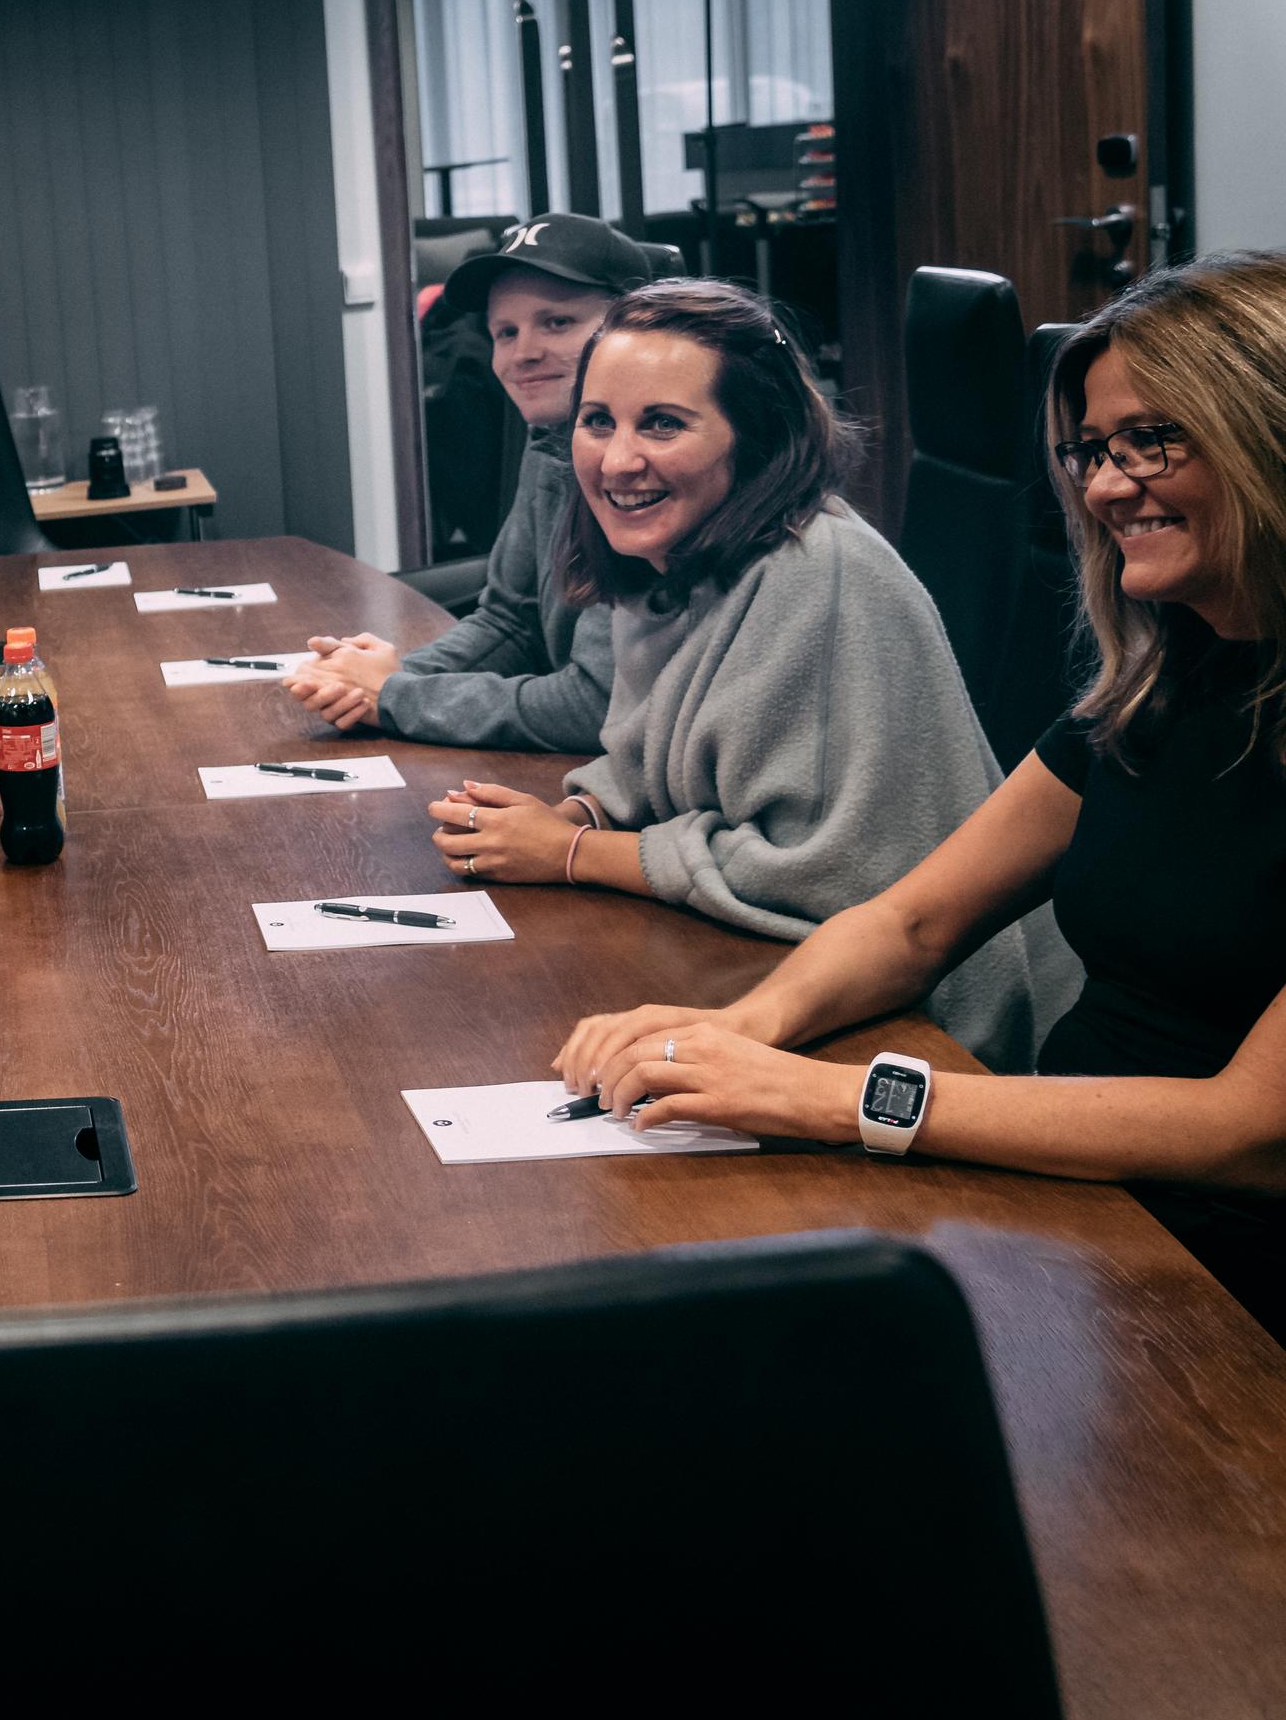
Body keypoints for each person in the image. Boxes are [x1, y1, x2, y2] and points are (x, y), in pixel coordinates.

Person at [554, 252, 1286, 1331]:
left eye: (1153, 440)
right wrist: (744, 1029)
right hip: (1089, 1208)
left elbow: (1252, 1130)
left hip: (1231, 1273)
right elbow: (912, 916)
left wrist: (840, 1098)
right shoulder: (1168, 679)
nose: (1103, 484)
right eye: (1091, 450)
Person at [421, 279, 1072, 1069]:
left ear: (756, 435)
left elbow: (819, 876)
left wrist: (568, 856)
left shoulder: (817, 574)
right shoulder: (669, 562)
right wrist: (582, 814)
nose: (618, 460)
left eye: (662, 424)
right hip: (769, 972)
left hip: (919, 1039)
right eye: (598, 422)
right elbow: (655, 763)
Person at [287, 214, 665, 750]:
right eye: (505, 333)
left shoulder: (649, 475)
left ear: (637, 329)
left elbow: (601, 706)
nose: (523, 353)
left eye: (557, 322)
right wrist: (369, 683)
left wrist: (395, 695)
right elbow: (511, 623)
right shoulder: (552, 439)